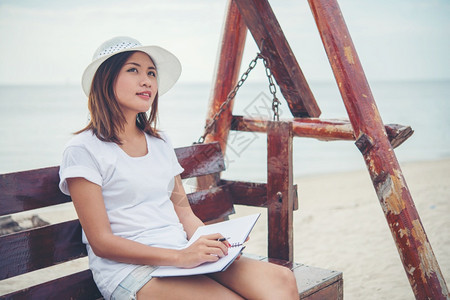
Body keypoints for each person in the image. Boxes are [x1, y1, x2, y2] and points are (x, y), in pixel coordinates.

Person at [59, 36, 299, 300]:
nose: (147, 80)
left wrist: (215, 243)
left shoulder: (160, 142)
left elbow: (183, 211)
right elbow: (102, 243)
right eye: (133, 70)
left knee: (281, 280)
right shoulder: (82, 150)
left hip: (180, 251)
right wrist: (180, 257)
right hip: (129, 269)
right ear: (105, 79)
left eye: (151, 73)